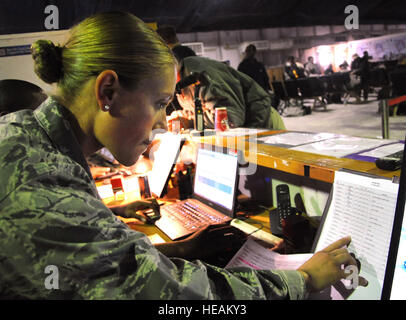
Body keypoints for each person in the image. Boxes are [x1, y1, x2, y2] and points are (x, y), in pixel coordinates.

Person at [0, 11, 365, 299]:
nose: (162, 121)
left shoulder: (30, 140)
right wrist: (302, 279)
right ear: (108, 91)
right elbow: (168, 295)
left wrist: (180, 250)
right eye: (159, 103)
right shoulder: (41, 180)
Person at [174, 55, 286, 130]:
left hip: (265, 125)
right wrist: (184, 117)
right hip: (248, 132)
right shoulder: (180, 82)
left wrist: (190, 121)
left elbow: (229, 121)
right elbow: (200, 108)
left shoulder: (201, 79)